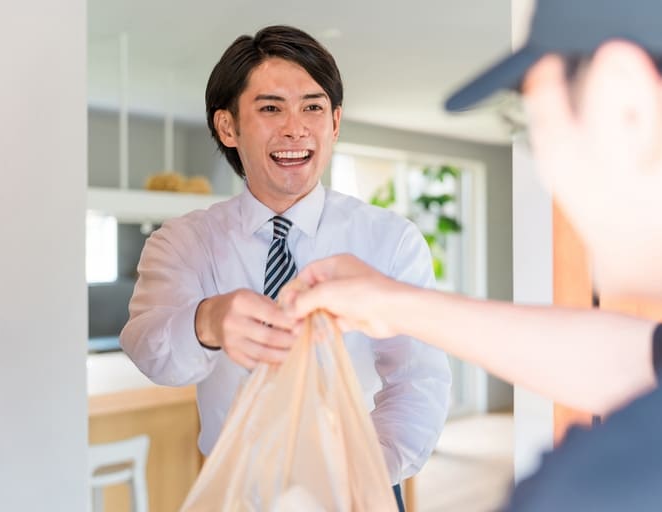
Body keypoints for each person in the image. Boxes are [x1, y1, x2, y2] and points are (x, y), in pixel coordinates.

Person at [287, 0, 662, 509]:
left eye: (531, 119)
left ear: (625, 106)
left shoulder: (613, 485)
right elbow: (640, 360)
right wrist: (396, 303)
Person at [119, 25, 451, 511]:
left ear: (335, 122)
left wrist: (364, 476)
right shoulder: (183, 242)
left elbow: (419, 377)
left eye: (313, 107)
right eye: (271, 108)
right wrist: (207, 321)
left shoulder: (390, 241)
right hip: (236, 492)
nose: (295, 128)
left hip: (361, 486)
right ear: (228, 127)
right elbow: (150, 350)